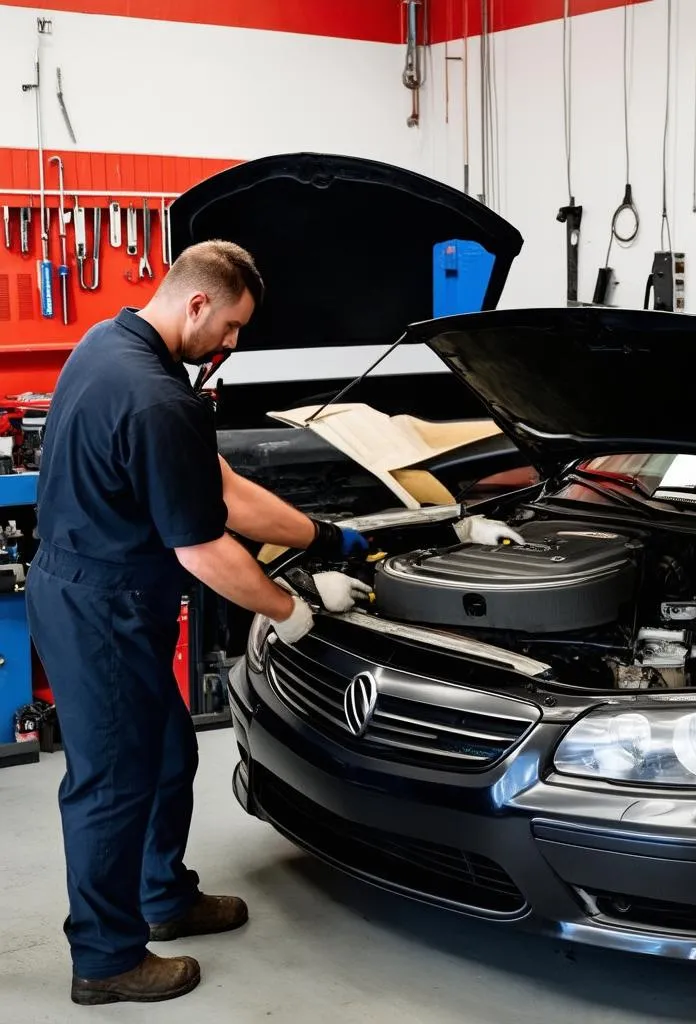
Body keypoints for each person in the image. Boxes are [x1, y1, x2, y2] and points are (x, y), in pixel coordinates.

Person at [26, 239, 523, 1006]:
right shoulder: (156, 398)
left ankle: (164, 896)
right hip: (103, 605)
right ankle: (105, 957)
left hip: (104, 590)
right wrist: (289, 610)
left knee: (164, 755)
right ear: (197, 304)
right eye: (229, 327)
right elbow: (202, 549)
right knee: (112, 783)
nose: (232, 344)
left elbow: (219, 487)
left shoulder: (113, 345)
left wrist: (331, 538)